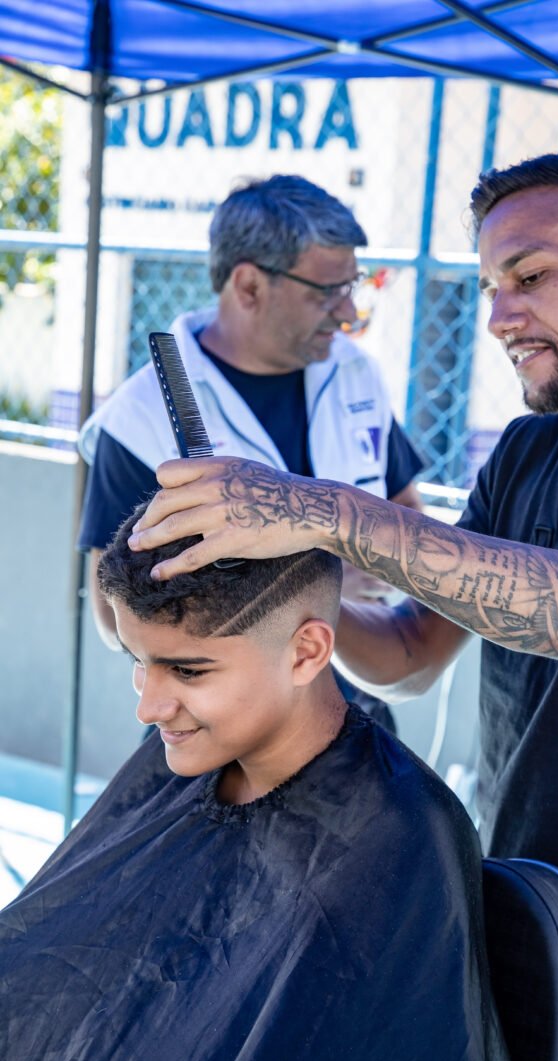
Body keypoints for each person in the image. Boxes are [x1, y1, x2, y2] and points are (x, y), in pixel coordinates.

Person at [127, 145, 558, 1061]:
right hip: (516, 926)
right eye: (489, 287)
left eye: (530, 277)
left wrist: (321, 510)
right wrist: (290, 600)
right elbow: (416, 653)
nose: (500, 315)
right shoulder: (526, 451)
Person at [0, 503, 530, 1061]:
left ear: (307, 651)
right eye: (140, 661)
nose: (149, 706)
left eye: (189, 670)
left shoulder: (387, 845)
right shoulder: (182, 759)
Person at [78, 173, 424, 729]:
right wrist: (322, 588)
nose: (347, 312)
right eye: (325, 292)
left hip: (358, 710)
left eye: (352, 285)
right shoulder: (142, 416)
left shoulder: (355, 372)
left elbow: (407, 515)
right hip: (220, 731)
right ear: (248, 287)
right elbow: (108, 612)